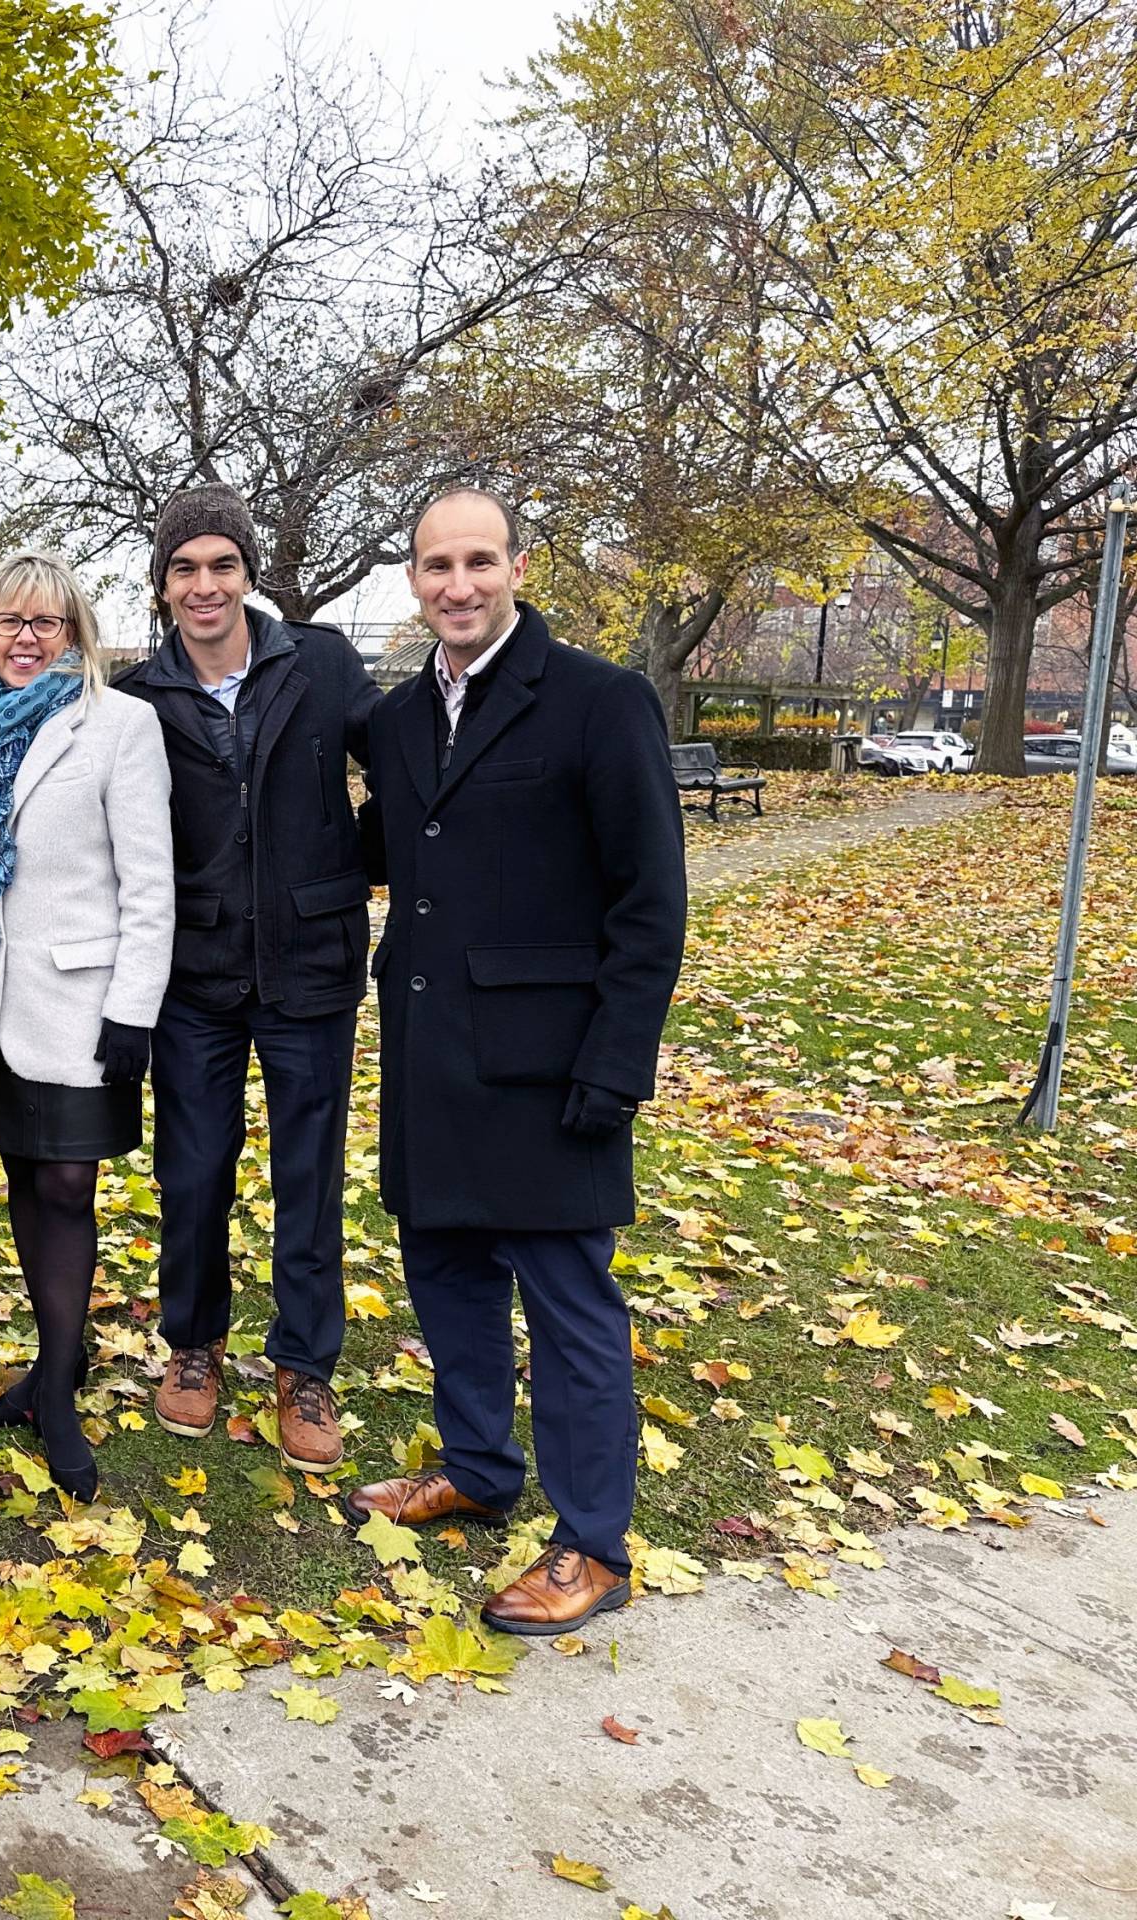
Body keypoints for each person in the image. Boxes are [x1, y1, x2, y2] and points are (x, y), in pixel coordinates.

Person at [351, 487, 686, 1636]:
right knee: (446, 1278)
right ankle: (478, 1469)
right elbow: (386, 852)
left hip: (552, 1072)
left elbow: (650, 902)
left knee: (568, 1309)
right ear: (412, 579)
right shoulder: (397, 720)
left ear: (516, 567)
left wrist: (617, 1063)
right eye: (436, 565)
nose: (458, 585)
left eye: (478, 561)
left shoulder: (600, 701)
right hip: (430, 1056)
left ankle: (591, 1544)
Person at [112, 484, 378, 1471]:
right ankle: (194, 1342)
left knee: (309, 1174)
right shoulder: (138, 696)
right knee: (191, 1172)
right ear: (162, 584)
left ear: (248, 573)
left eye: (222, 564)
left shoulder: (320, 663)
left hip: (310, 967)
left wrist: (353, 862)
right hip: (197, 971)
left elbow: (402, 766)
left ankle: (305, 1365)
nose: (204, 584)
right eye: (184, 568)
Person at [0, 552, 174, 1499]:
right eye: (10, 620)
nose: (27, 639)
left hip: (84, 999)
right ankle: (58, 1361)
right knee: (23, 1173)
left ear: (75, 633)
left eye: (46, 622)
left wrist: (133, 1007)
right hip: (0, 997)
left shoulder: (120, 724)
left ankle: (56, 1394)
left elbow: (149, 878)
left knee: (68, 1182)